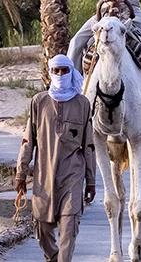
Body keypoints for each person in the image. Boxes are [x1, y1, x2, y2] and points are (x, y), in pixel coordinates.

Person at [15, 55, 96, 262]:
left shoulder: (82, 104)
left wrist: (91, 181)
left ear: (71, 72)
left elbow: (88, 145)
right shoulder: (38, 102)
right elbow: (27, 142)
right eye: (56, 71)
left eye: (64, 70)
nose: (60, 75)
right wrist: (21, 174)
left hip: (73, 176)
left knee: (69, 228)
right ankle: (53, 257)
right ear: (50, 73)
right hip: (44, 177)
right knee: (42, 227)